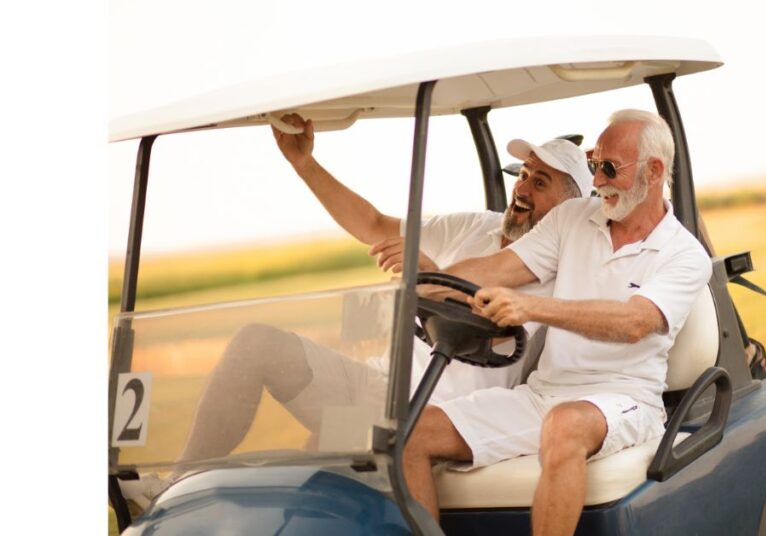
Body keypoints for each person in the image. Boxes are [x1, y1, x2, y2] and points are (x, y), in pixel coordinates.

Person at [120, 114, 592, 509]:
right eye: (524, 174)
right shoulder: (475, 226)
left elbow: (500, 332)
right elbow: (371, 224)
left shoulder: (564, 272)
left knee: (311, 471)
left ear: (571, 206)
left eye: (541, 180)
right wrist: (304, 164)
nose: (522, 186)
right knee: (257, 344)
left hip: (443, 418)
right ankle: (173, 493)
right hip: (374, 389)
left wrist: (434, 275)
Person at [403, 109, 713, 536]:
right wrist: (420, 289)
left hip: (625, 399)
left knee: (564, 424)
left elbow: (633, 322)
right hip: (544, 395)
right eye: (593, 166)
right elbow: (501, 268)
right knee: (412, 431)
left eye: (608, 169)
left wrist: (532, 309)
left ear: (654, 171)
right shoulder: (573, 219)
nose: (598, 180)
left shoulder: (684, 254)